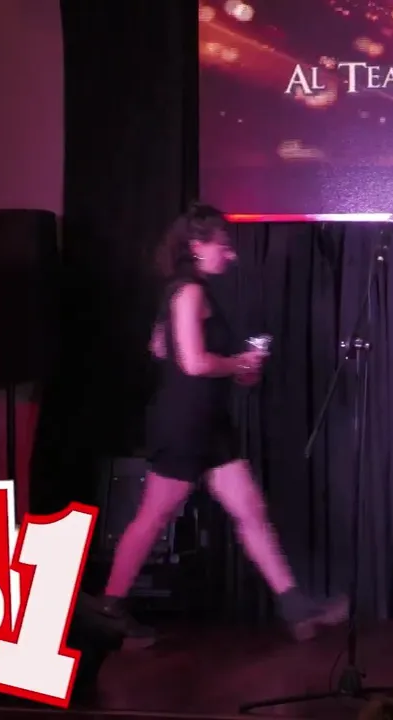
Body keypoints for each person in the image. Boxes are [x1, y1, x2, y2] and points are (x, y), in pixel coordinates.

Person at [100, 203, 348, 642]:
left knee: (249, 510)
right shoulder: (189, 292)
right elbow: (193, 363)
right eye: (223, 246)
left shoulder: (183, 291)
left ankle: (294, 606)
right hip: (185, 424)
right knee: (154, 516)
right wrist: (237, 364)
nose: (230, 255)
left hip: (207, 422)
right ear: (197, 246)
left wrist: (233, 366)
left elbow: (159, 348)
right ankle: (110, 608)